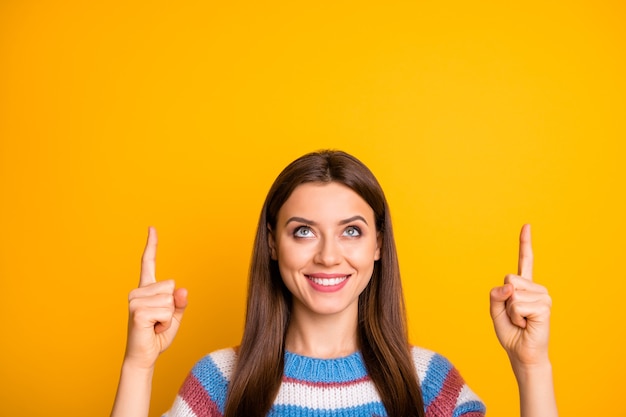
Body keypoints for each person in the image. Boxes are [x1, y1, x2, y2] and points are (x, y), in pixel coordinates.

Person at [111, 150, 558, 417]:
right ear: (272, 244)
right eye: (303, 231)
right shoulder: (218, 383)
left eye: (352, 231)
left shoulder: (430, 384)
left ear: (379, 244)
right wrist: (138, 366)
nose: (328, 255)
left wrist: (532, 367)